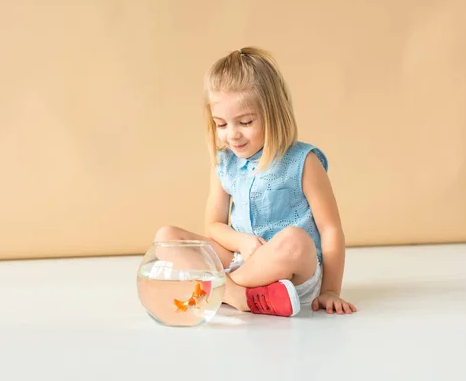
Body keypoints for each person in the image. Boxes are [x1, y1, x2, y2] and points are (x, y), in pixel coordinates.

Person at [153, 46, 357, 317]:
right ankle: (241, 296)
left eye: (245, 122)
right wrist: (242, 243)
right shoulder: (224, 164)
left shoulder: (303, 161)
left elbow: (330, 229)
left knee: (296, 239)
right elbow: (213, 226)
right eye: (221, 125)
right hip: (242, 260)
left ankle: (222, 292)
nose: (232, 135)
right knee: (166, 238)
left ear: (273, 114)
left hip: (294, 271)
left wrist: (331, 290)